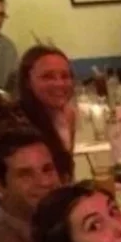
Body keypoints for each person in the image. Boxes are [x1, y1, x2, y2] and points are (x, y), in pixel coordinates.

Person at [17, 45, 75, 181]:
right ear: (28, 82)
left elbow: (65, 177)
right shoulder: (17, 125)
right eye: (48, 77)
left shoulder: (67, 116)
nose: (59, 84)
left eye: (65, 76)